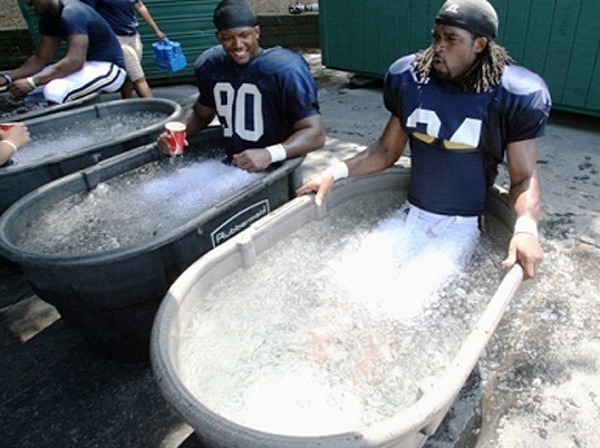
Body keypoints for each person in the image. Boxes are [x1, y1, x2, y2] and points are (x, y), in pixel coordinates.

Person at [297, 0, 551, 279]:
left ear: (479, 44)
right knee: (346, 284)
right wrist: (334, 173)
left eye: (451, 39)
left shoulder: (514, 94)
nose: (438, 46)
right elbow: (385, 150)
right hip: (410, 212)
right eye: (436, 37)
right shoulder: (411, 78)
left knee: (407, 307)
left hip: (460, 224)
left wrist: (526, 228)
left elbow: (524, 178)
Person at [157, 0, 324, 172]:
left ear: (257, 32)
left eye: (244, 35)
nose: (237, 45)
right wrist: (181, 130)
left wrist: (270, 154)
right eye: (227, 38)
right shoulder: (211, 65)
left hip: (278, 168)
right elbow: (201, 113)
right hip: (233, 165)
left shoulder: (286, 68)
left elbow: (315, 133)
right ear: (218, 37)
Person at [0, 0, 126, 105]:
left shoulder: (73, 12)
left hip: (109, 68)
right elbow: (40, 59)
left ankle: (60, 129)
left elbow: (75, 61)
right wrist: (8, 78)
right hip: (83, 66)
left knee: (54, 91)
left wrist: (32, 82)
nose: (27, 1)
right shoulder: (48, 18)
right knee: (20, 89)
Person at [95, 0, 167, 98]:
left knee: (130, 76)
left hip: (133, 36)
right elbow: (91, 13)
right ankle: (155, 105)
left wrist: (156, 30)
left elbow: (140, 6)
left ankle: (126, 102)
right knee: (138, 77)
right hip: (117, 39)